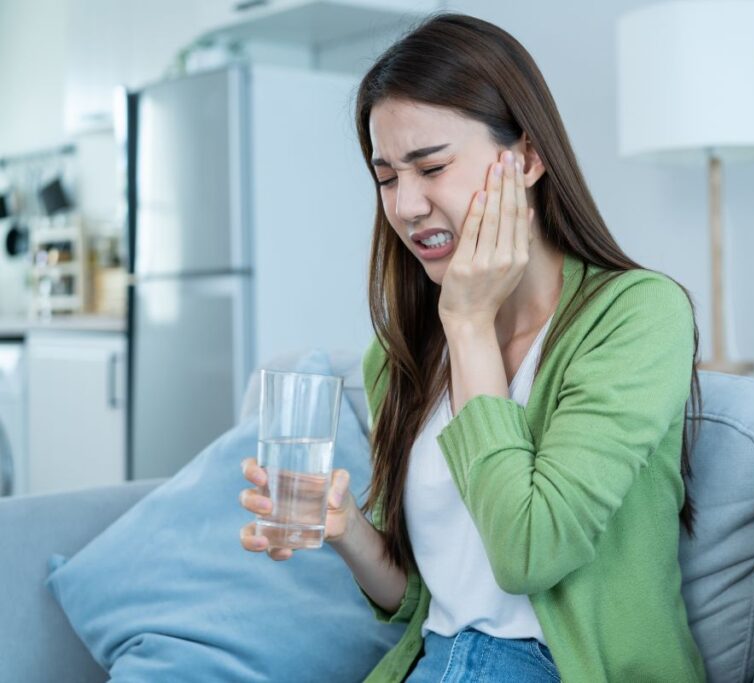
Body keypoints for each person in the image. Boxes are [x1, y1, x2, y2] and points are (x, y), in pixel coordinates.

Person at [239, 11, 706, 682]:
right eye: (387, 176)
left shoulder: (636, 315)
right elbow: (428, 600)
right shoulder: (398, 355)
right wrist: (344, 528)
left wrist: (468, 326)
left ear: (527, 158)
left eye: (431, 167)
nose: (406, 205)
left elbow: (528, 553)